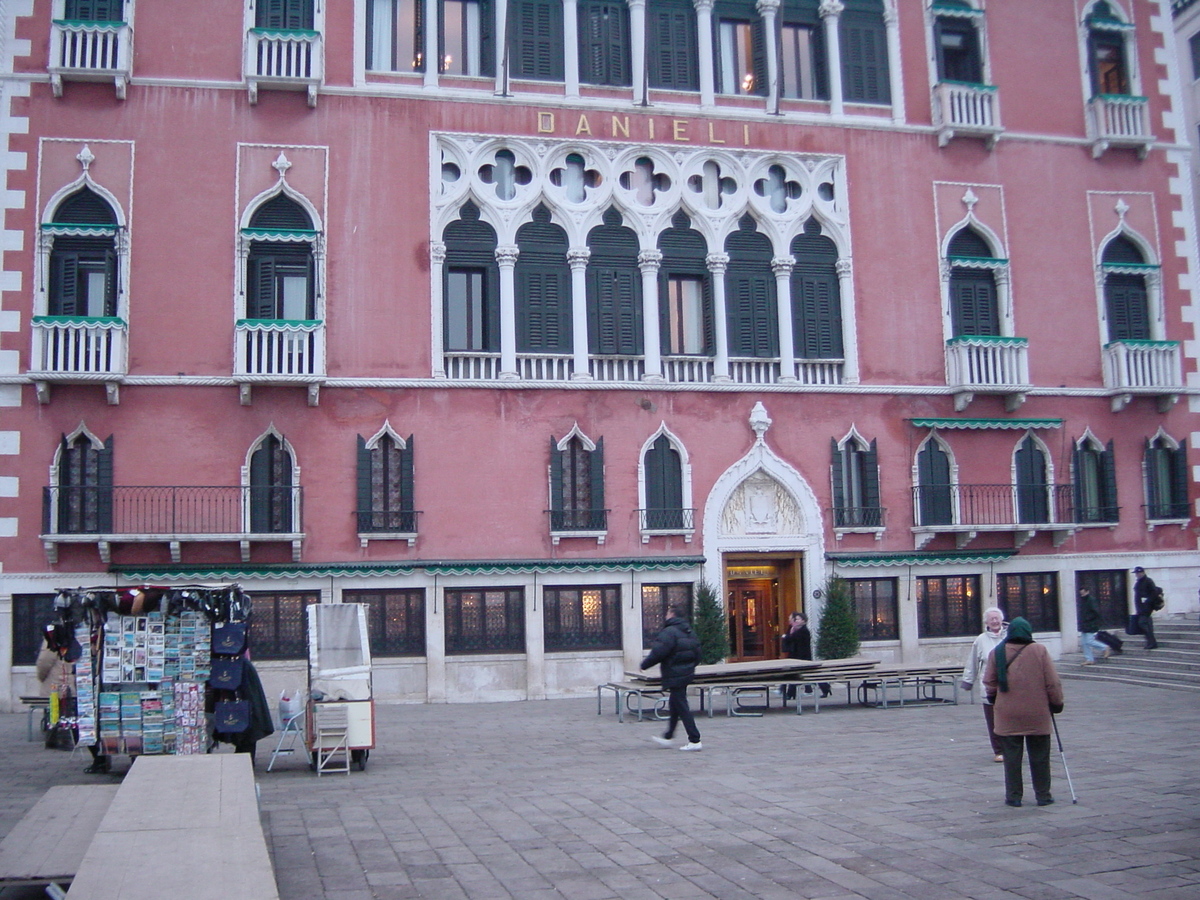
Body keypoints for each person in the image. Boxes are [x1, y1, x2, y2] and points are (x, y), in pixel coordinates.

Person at [983, 617, 1064, 808]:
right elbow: (1052, 682)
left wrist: (996, 699)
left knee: (1011, 758)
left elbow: (989, 683)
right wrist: (1057, 703)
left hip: (1008, 713)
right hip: (1037, 712)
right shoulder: (1039, 651)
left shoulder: (998, 652)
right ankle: (1043, 795)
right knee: (1040, 757)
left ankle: (1014, 796)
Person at [640, 602, 703, 751]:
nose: (665, 616)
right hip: (686, 672)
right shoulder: (689, 631)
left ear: (672, 615)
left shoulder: (669, 632)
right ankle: (668, 736)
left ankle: (695, 739)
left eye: (667, 613)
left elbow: (659, 651)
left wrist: (644, 665)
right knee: (675, 703)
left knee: (681, 705)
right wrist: (689, 667)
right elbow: (698, 653)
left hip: (675, 673)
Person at [959, 607, 1007, 763]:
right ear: (986, 622)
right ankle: (999, 750)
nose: (994, 621)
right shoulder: (981, 640)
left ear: (1002, 620)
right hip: (989, 686)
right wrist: (968, 680)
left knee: (1010, 718)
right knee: (993, 720)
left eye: (997, 618)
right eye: (991, 619)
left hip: (1010, 686)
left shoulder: (1010, 637)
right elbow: (972, 662)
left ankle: (1012, 747)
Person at [781, 612, 830, 699]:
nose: (796, 621)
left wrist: (786, 636)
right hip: (796, 656)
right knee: (795, 675)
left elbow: (793, 638)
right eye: (795, 619)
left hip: (803, 657)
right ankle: (790, 694)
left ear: (803, 621)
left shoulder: (804, 631)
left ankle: (825, 688)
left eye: (798, 619)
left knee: (811, 675)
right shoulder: (795, 629)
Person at [1076, 587, 1109, 665]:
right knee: (1084, 643)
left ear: (1087, 591)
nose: (1082, 595)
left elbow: (1096, 612)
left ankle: (1104, 647)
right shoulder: (1083, 601)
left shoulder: (1091, 600)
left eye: (1083, 593)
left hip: (1091, 624)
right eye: (1081, 593)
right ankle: (1089, 659)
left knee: (1089, 641)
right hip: (1085, 624)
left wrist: (1088, 619)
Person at [1133, 566, 1159, 650]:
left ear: (1143, 573)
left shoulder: (1148, 581)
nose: (1137, 575)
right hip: (1140, 607)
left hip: (1146, 607)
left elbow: (1154, 593)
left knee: (1142, 623)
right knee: (1146, 624)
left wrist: (1147, 601)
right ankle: (1151, 642)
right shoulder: (1138, 582)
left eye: (1138, 573)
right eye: (1136, 573)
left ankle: (1151, 642)